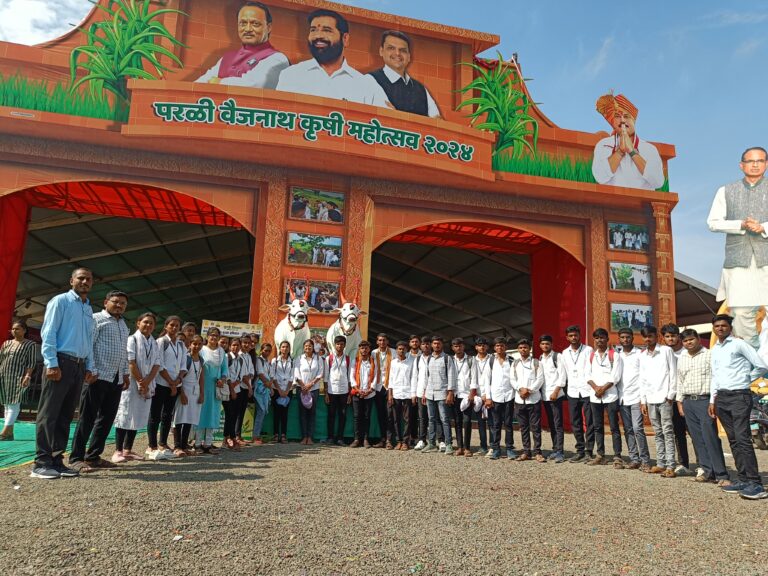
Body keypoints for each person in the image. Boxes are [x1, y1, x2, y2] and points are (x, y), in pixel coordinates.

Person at [32, 268, 95, 480]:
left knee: (66, 415)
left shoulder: (87, 308)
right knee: (49, 414)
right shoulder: (60, 301)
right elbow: (48, 332)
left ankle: (57, 460)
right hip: (61, 362)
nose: (85, 281)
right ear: (71, 281)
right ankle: (41, 463)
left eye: (88, 279)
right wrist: (51, 362)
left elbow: (88, 340)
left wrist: (89, 366)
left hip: (78, 365)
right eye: (81, 278)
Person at [707, 146, 768, 349]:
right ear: (741, 165)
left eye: (760, 161)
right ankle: (752, 357)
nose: (755, 165)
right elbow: (713, 222)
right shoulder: (726, 191)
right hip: (738, 260)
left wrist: (763, 227)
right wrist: (740, 224)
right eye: (750, 161)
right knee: (741, 313)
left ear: (766, 164)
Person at [275, 9, 390, 107]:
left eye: (327, 30)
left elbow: (388, 121)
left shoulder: (367, 86)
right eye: (313, 30)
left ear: (345, 39)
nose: (318, 35)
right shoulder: (291, 75)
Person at [69, 292, 130, 472]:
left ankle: (93, 456)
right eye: (115, 302)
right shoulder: (96, 319)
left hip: (116, 378)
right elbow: (89, 345)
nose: (119, 305)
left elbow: (123, 352)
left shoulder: (123, 324)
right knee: (86, 418)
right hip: (97, 376)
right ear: (105, 302)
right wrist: (91, 369)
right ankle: (76, 458)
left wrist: (125, 374)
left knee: (106, 419)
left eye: (123, 303)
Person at [710, 314, 768, 499]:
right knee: (733, 439)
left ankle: (755, 483)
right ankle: (742, 479)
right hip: (722, 397)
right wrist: (712, 399)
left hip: (739, 396)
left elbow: (761, 365)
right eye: (717, 326)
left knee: (743, 439)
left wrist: (745, 379)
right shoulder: (715, 349)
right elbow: (715, 376)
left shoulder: (739, 344)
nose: (720, 328)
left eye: (723, 325)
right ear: (713, 328)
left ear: (730, 327)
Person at [676, 328, 729, 486]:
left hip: (705, 400)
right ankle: (707, 471)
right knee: (697, 438)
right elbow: (680, 381)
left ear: (698, 339)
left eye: (691, 339)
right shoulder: (682, 357)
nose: (689, 343)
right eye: (685, 341)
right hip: (688, 401)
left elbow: (716, 378)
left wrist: (713, 401)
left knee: (710, 437)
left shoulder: (709, 355)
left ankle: (721, 474)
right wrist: (680, 402)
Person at [196, 2, 289, 89]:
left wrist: (220, 82)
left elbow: (254, 85)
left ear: (268, 27)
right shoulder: (226, 59)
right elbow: (199, 84)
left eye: (255, 24)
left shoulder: (277, 59)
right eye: (243, 23)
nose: (248, 29)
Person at [113, 312, 162, 463]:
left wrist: (147, 382)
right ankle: (118, 451)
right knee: (125, 414)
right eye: (145, 322)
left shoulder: (154, 343)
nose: (148, 325)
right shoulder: (132, 339)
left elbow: (157, 364)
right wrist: (141, 382)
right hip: (132, 383)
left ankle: (128, 449)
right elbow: (131, 362)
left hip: (147, 383)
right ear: (138, 323)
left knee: (138, 415)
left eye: (151, 323)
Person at [592, 92, 664, 190]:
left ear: (634, 121)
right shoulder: (604, 145)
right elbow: (599, 177)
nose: (622, 120)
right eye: (617, 116)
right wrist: (620, 152)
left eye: (626, 116)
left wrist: (632, 151)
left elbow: (658, 182)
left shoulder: (649, 149)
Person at [368, 30, 440, 117]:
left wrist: (397, 115)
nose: (397, 53)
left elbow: (438, 121)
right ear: (381, 51)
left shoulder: (421, 89)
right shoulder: (369, 81)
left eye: (403, 50)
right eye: (391, 48)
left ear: (409, 57)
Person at [639, 325, 677, 478]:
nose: (648, 339)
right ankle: (661, 464)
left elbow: (673, 372)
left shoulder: (666, 351)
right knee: (657, 432)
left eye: (650, 336)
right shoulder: (642, 355)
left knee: (668, 431)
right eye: (645, 337)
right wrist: (643, 400)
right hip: (650, 398)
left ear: (656, 336)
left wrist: (671, 394)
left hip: (665, 397)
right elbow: (642, 379)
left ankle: (671, 466)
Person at [146, 315, 186, 461]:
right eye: (171, 325)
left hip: (176, 384)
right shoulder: (161, 342)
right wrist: (171, 382)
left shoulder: (181, 345)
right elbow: (159, 364)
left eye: (177, 326)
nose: (174, 328)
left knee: (168, 415)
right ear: (166, 326)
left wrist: (178, 380)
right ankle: (151, 446)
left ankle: (163, 443)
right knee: (155, 414)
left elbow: (183, 366)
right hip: (162, 384)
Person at [586, 328, 623, 468]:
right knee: (597, 427)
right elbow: (587, 374)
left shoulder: (614, 355)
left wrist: (603, 389)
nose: (599, 340)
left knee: (614, 427)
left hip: (610, 396)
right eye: (596, 338)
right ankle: (600, 455)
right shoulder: (591, 356)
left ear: (607, 339)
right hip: (595, 396)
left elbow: (616, 376)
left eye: (602, 337)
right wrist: (596, 388)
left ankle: (617, 456)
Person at [617, 328, 651, 471]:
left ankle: (645, 460)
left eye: (628, 337)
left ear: (632, 338)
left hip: (637, 396)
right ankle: (634, 458)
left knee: (638, 428)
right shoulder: (617, 355)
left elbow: (644, 375)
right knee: (628, 429)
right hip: (622, 397)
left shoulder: (640, 354)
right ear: (619, 339)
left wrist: (644, 399)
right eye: (622, 337)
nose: (625, 340)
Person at [661, 323, 692, 476]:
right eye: (667, 336)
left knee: (694, 432)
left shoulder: (687, 352)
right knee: (678, 433)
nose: (670, 339)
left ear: (679, 337)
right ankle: (683, 463)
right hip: (671, 400)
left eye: (673, 336)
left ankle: (704, 465)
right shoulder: (663, 354)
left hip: (688, 398)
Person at [561, 325, 595, 463]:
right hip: (573, 391)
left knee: (590, 421)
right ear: (567, 337)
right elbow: (564, 372)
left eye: (576, 335)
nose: (574, 337)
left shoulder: (588, 350)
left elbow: (592, 369)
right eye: (571, 336)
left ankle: (589, 451)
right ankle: (580, 450)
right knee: (575, 422)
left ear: (580, 336)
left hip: (587, 390)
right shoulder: (564, 353)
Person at [418, 336, 456, 455]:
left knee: (444, 419)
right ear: (432, 345)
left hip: (442, 393)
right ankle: (431, 443)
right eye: (434, 343)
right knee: (431, 419)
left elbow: (452, 376)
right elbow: (427, 377)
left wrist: (450, 393)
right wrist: (424, 393)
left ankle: (448, 444)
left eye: (438, 343)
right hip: (430, 393)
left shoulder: (447, 358)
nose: (436, 345)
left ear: (442, 345)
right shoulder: (429, 358)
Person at [0, 321, 37, 441]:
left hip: (19, 377)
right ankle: (9, 434)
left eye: (17, 329)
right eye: (13, 329)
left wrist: (27, 376)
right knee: (6, 403)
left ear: (24, 330)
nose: (14, 331)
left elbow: (31, 363)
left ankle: (4, 431)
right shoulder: (7, 343)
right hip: (4, 376)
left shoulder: (30, 344)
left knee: (14, 403)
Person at [511, 338, 545, 462]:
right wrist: (520, 389)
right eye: (520, 348)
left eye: (525, 347)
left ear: (529, 349)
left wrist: (529, 390)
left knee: (535, 427)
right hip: (519, 400)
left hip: (533, 400)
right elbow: (512, 379)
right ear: (518, 349)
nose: (523, 350)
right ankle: (526, 451)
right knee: (523, 427)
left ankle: (538, 452)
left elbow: (540, 379)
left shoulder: (536, 363)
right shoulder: (515, 363)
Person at [482, 336, 516, 460]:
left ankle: (509, 449)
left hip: (509, 396)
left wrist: (515, 398)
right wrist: (488, 397)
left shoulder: (512, 361)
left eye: (502, 345)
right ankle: (496, 449)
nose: (499, 347)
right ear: (494, 348)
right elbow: (486, 380)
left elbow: (515, 379)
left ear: (506, 347)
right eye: (497, 346)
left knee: (508, 424)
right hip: (495, 397)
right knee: (496, 425)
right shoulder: (490, 361)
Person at [197, 327, 228, 454]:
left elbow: (225, 369)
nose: (214, 337)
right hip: (202, 386)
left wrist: (223, 379)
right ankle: (197, 444)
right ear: (207, 336)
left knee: (212, 415)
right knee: (200, 414)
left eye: (216, 335)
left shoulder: (222, 352)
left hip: (216, 388)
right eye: (212, 335)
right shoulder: (201, 350)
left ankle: (208, 444)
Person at [174, 335, 205, 457]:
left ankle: (184, 445)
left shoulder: (201, 360)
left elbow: (201, 377)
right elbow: (180, 377)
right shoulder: (185, 358)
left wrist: (202, 393)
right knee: (179, 419)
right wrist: (181, 393)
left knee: (189, 419)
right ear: (190, 344)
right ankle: (177, 446)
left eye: (199, 344)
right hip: (184, 390)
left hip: (195, 392)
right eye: (194, 344)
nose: (197, 346)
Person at [538, 334, 566, 463]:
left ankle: (560, 451)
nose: (545, 346)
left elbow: (562, 376)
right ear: (540, 345)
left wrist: (556, 391)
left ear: (551, 345)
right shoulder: (540, 359)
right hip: (545, 395)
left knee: (558, 423)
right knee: (551, 424)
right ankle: (555, 449)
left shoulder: (557, 357)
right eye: (543, 344)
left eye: (547, 344)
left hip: (555, 395)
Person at [295, 339, 323, 444]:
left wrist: (310, 384)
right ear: (303, 348)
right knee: (302, 413)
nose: (308, 347)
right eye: (306, 346)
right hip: (301, 389)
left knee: (312, 413)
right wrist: (303, 386)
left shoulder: (318, 358)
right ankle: (304, 437)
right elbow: (296, 373)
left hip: (314, 389)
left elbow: (320, 373)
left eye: (310, 346)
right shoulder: (299, 358)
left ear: (313, 347)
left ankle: (310, 437)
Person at [387, 341, 414, 450]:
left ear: (407, 350)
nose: (401, 351)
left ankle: (406, 442)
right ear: (396, 350)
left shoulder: (411, 362)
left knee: (408, 419)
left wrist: (413, 395)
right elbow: (391, 379)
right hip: (396, 393)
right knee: (396, 419)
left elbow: (414, 379)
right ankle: (398, 441)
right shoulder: (393, 362)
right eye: (399, 349)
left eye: (403, 349)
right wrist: (390, 394)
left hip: (407, 393)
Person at [450, 338, 475, 456]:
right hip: (455, 394)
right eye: (455, 346)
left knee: (467, 421)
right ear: (452, 348)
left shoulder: (470, 360)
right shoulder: (450, 360)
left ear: (463, 346)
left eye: (460, 346)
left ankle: (467, 447)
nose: (458, 348)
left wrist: (472, 393)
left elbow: (474, 377)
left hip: (466, 395)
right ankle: (460, 447)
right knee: (457, 421)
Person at [350, 340, 376, 447]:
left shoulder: (373, 361)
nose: (364, 350)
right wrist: (357, 389)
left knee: (366, 417)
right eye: (362, 348)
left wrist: (369, 390)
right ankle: (356, 439)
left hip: (369, 394)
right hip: (357, 393)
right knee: (357, 417)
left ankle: (366, 439)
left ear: (369, 349)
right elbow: (351, 376)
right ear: (359, 349)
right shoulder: (355, 361)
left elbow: (376, 376)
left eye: (366, 348)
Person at [326, 335, 351, 446]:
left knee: (343, 415)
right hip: (332, 391)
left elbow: (349, 377)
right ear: (334, 345)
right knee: (331, 415)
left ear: (344, 345)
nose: (339, 346)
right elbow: (326, 376)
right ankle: (330, 437)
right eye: (337, 344)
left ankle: (340, 438)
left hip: (344, 391)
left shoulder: (348, 359)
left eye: (341, 344)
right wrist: (326, 393)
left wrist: (349, 394)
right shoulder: (329, 358)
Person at [373, 333, 396, 448]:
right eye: (380, 340)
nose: (382, 342)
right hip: (378, 387)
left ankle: (389, 440)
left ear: (387, 341)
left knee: (389, 414)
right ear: (377, 342)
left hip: (389, 386)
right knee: (381, 414)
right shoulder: (373, 353)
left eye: (384, 340)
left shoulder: (394, 352)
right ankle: (382, 439)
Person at [223, 338, 246, 451]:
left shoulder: (240, 359)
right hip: (227, 389)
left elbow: (241, 375)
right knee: (229, 414)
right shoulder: (227, 357)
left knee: (234, 414)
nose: (235, 347)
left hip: (237, 389)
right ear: (230, 346)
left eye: (237, 345)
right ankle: (230, 438)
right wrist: (231, 389)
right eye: (233, 345)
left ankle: (227, 438)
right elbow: (225, 374)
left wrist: (236, 384)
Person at [471, 337, 491, 455]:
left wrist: (487, 395)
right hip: (478, 396)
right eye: (479, 345)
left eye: (484, 345)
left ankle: (493, 447)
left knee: (492, 423)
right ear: (476, 347)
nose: (482, 347)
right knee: (481, 423)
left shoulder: (492, 359)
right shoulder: (472, 360)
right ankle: (483, 446)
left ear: (487, 347)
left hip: (490, 395)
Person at [270, 341, 293, 443]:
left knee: (285, 413)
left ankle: (283, 435)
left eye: (287, 347)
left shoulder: (292, 361)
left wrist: (286, 391)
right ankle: (275, 434)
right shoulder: (275, 361)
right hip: (276, 390)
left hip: (288, 390)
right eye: (283, 347)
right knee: (276, 412)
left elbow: (292, 377)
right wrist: (279, 390)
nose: (285, 349)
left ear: (289, 349)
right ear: (280, 348)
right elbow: (273, 376)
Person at [250, 342, 270, 445]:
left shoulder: (267, 361)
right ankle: (255, 436)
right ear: (261, 350)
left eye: (269, 351)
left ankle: (257, 435)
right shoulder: (259, 360)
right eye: (265, 350)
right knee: (261, 411)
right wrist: (268, 383)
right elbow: (260, 373)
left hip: (265, 389)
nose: (267, 352)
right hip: (259, 389)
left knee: (262, 412)